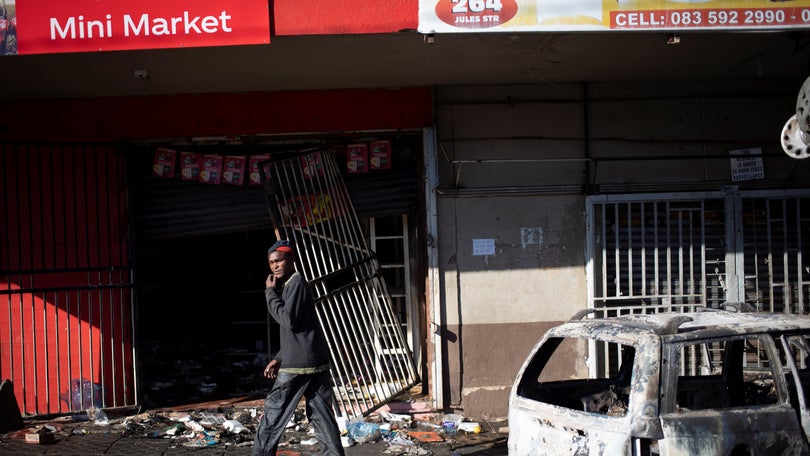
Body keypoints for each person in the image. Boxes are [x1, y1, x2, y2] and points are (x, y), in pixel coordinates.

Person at [252, 240, 345, 456]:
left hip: (298, 368)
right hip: (314, 361)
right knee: (322, 417)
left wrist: (269, 294)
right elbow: (300, 331)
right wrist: (279, 357)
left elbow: (289, 321)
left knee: (273, 415)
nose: (274, 266)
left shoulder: (296, 283)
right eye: (271, 263)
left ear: (291, 259)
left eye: (279, 261)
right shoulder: (292, 285)